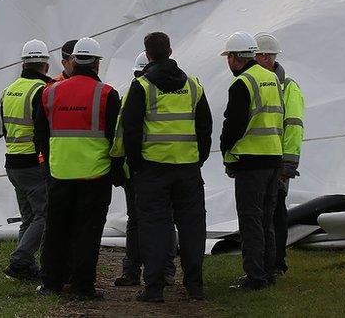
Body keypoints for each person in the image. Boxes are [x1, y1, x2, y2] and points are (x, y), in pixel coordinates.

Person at [123, 32, 212, 302]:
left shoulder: (142, 87)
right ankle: (194, 285)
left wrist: (136, 165)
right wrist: (198, 159)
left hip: (153, 169)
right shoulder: (194, 86)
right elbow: (205, 127)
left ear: (148, 55)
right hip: (187, 169)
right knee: (192, 227)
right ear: (171, 51)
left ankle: (154, 288)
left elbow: (131, 130)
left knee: (154, 227)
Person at [34, 37, 122, 300]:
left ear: (72, 61)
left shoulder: (49, 92)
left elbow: (40, 134)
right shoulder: (107, 94)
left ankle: (51, 283)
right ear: (96, 63)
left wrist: (50, 164)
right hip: (96, 174)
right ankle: (83, 286)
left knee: (56, 229)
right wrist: (117, 171)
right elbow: (115, 139)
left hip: (60, 173)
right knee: (88, 232)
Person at [219, 31, 283, 290]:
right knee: (267, 219)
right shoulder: (272, 79)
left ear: (235, 57)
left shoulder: (242, 83)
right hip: (273, 157)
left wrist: (226, 153)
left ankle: (255, 277)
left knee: (250, 219)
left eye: (229, 57)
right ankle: (268, 273)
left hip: (250, 161)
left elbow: (233, 125)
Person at [110, 52, 178, 289]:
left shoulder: (135, 91)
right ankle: (166, 271)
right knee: (166, 220)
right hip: (172, 167)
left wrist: (118, 165)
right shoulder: (181, 88)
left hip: (139, 171)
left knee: (136, 222)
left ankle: (132, 271)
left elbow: (122, 133)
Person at [1, 39, 53, 281]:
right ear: (46, 64)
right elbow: (44, 129)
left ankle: (25, 267)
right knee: (44, 214)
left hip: (12, 162)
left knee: (29, 217)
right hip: (31, 162)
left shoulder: (9, 89)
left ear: (23, 63)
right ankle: (20, 259)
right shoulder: (41, 90)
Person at [252, 33, 304, 276]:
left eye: (255, 55)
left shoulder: (287, 86)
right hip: (262, 160)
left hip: (278, 163)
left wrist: (288, 165)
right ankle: (265, 262)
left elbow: (293, 125)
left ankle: (277, 263)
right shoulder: (258, 81)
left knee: (276, 212)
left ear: (264, 57)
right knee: (264, 212)